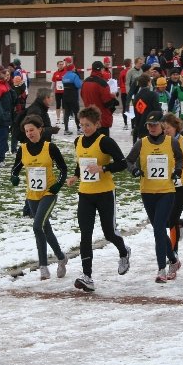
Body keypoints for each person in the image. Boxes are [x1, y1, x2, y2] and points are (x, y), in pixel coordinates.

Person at [65, 105, 131, 292]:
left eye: (88, 125)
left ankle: (124, 251)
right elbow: (81, 163)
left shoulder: (105, 142)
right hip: (85, 194)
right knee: (85, 235)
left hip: (104, 193)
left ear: (97, 124)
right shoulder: (78, 141)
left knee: (109, 232)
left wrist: (103, 168)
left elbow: (122, 163)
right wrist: (75, 176)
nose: (84, 128)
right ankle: (87, 276)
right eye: (82, 125)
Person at [126, 111, 183, 283]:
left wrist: (178, 171)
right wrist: (134, 170)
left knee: (158, 228)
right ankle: (174, 260)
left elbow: (180, 158)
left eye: (155, 125)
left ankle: (161, 270)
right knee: (158, 229)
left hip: (166, 191)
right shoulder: (141, 143)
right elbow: (128, 161)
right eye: (149, 125)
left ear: (162, 126)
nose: (152, 128)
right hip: (147, 192)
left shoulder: (171, 142)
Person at [10, 114, 69, 280]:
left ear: (40, 129)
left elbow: (63, 169)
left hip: (49, 193)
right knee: (44, 228)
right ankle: (61, 257)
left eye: (32, 130)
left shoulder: (50, 148)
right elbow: (15, 169)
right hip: (32, 194)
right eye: (27, 131)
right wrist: (14, 177)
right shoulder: (23, 149)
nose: (29, 133)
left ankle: (43, 266)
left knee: (37, 226)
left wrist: (58, 184)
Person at [161, 113, 183, 255]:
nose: (166, 131)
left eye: (168, 128)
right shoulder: (161, 142)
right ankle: (181, 224)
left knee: (171, 218)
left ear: (176, 127)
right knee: (165, 221)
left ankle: (174, 252)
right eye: (164, 128)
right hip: (167, 186)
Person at [81, 61, 118, 136]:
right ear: (102, 69)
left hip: (89, 117)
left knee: (90, 143)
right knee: (103, 144)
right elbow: (108, 103)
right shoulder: (102, 83)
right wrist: (113, 97)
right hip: (101, 119)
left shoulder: (85, 82)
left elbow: (82, 96)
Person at [131, 73, 161, 142]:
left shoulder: (136, 97)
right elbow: (158, 111)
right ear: (149, 82)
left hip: (140, 128)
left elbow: (136, 114)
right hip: (152, 127)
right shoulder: (153, 95)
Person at [61, 60, 83, 135]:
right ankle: (79, 129)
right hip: (73, 96)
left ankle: (66, 129)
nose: (75, 69)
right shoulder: (75, 75)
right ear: (72, 68)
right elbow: (79, 85)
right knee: (76, 112)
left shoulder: (64, 76)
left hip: (65, 96)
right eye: (74, 68)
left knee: (66, 113)